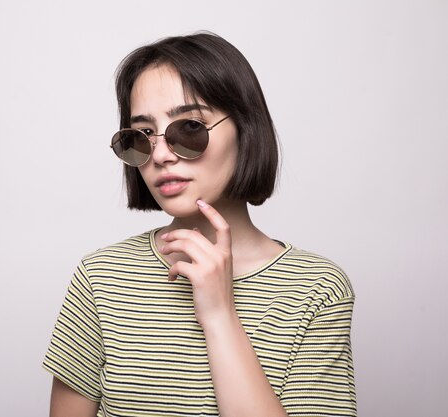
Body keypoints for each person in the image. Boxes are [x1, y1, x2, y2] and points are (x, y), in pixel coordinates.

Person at [43, 32, 356, 417]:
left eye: (188, 128)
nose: (159, 155)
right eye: (140, 137)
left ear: (246, 129)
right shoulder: (101, 277)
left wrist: (219, 314)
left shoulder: (318, 288)